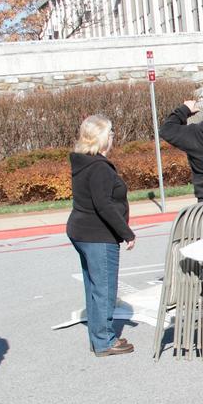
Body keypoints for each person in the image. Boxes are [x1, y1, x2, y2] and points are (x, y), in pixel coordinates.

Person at [67, 115, 136, 357]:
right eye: (111, 133)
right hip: (98, 234)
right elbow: (104, 205)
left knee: (94, 286)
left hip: (81, 231)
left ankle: (98, 337)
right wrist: (126, 233)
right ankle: (105, 340)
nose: (113, 137)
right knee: (104, 288)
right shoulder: (98, 168)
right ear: (101, 138)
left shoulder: (84, 162)